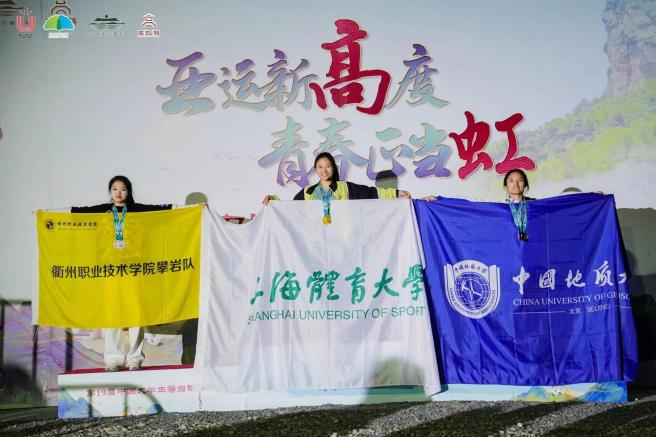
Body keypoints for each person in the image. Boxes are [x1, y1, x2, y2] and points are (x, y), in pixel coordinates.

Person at [72, 175, 171, 371]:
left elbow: (162, 211)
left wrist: (192, 210)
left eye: (123, 189)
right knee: (112, 316)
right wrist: (46, 215)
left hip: (133, 271)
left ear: (129, 191)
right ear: (110, 191)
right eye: (115, 189)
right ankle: (113, 359)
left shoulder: (136, 210)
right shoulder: (104, 210)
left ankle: (134, 359)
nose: (119, 192)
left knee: (136, 316)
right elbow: (78, 213)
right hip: (110, 272)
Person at [262, 152, 411, 205]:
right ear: (315, 170)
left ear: (333, 168)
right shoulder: (307, 192)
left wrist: (396, 193)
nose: (324, 170)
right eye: (320, 167)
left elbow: (370, 193)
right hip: (314, 241)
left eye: (328, 166)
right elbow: (290, 210)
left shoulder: (344, 188)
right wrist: (273, 200)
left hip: (342, 241)